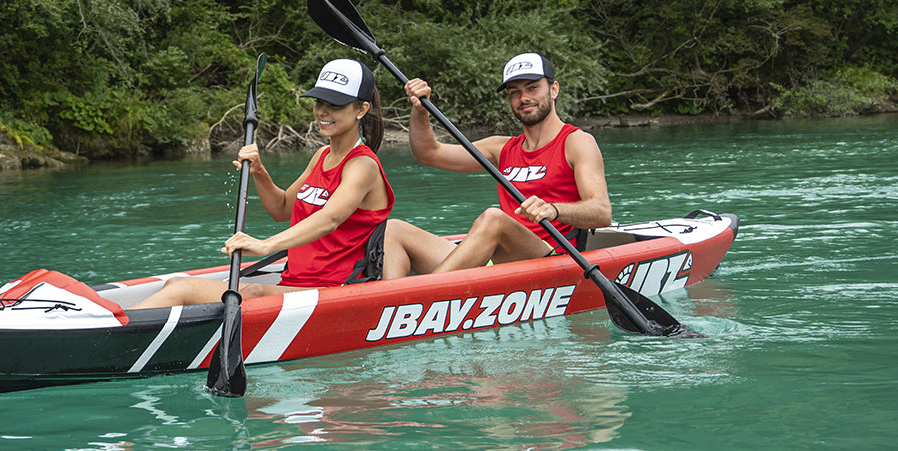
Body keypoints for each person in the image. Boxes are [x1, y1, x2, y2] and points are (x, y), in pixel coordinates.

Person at [130, 58, 394, 308]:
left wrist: (265, 245)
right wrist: (259, 172)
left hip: (334, 290)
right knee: (177, 283)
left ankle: (114, 332)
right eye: (319, 102)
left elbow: (331, 218)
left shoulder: (362, 165)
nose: (323, 111)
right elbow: (281, 209)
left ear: (362, 109)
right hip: (295, 284)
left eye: (335, 104)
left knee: (238, 292)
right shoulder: (321, 156)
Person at [382, 52, 612, 277]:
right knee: (393, 229)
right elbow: (428, 153)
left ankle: (420, 297)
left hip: (552, 259)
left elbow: (601, 212)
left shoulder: (576, 141)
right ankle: (388, 307)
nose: (524, 98)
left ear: (553, 89)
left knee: (494, 218)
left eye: (532, 88)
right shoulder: (501, 148)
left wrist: (554, 209)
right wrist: (420, 109)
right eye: (515, 92)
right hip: (500, 259)